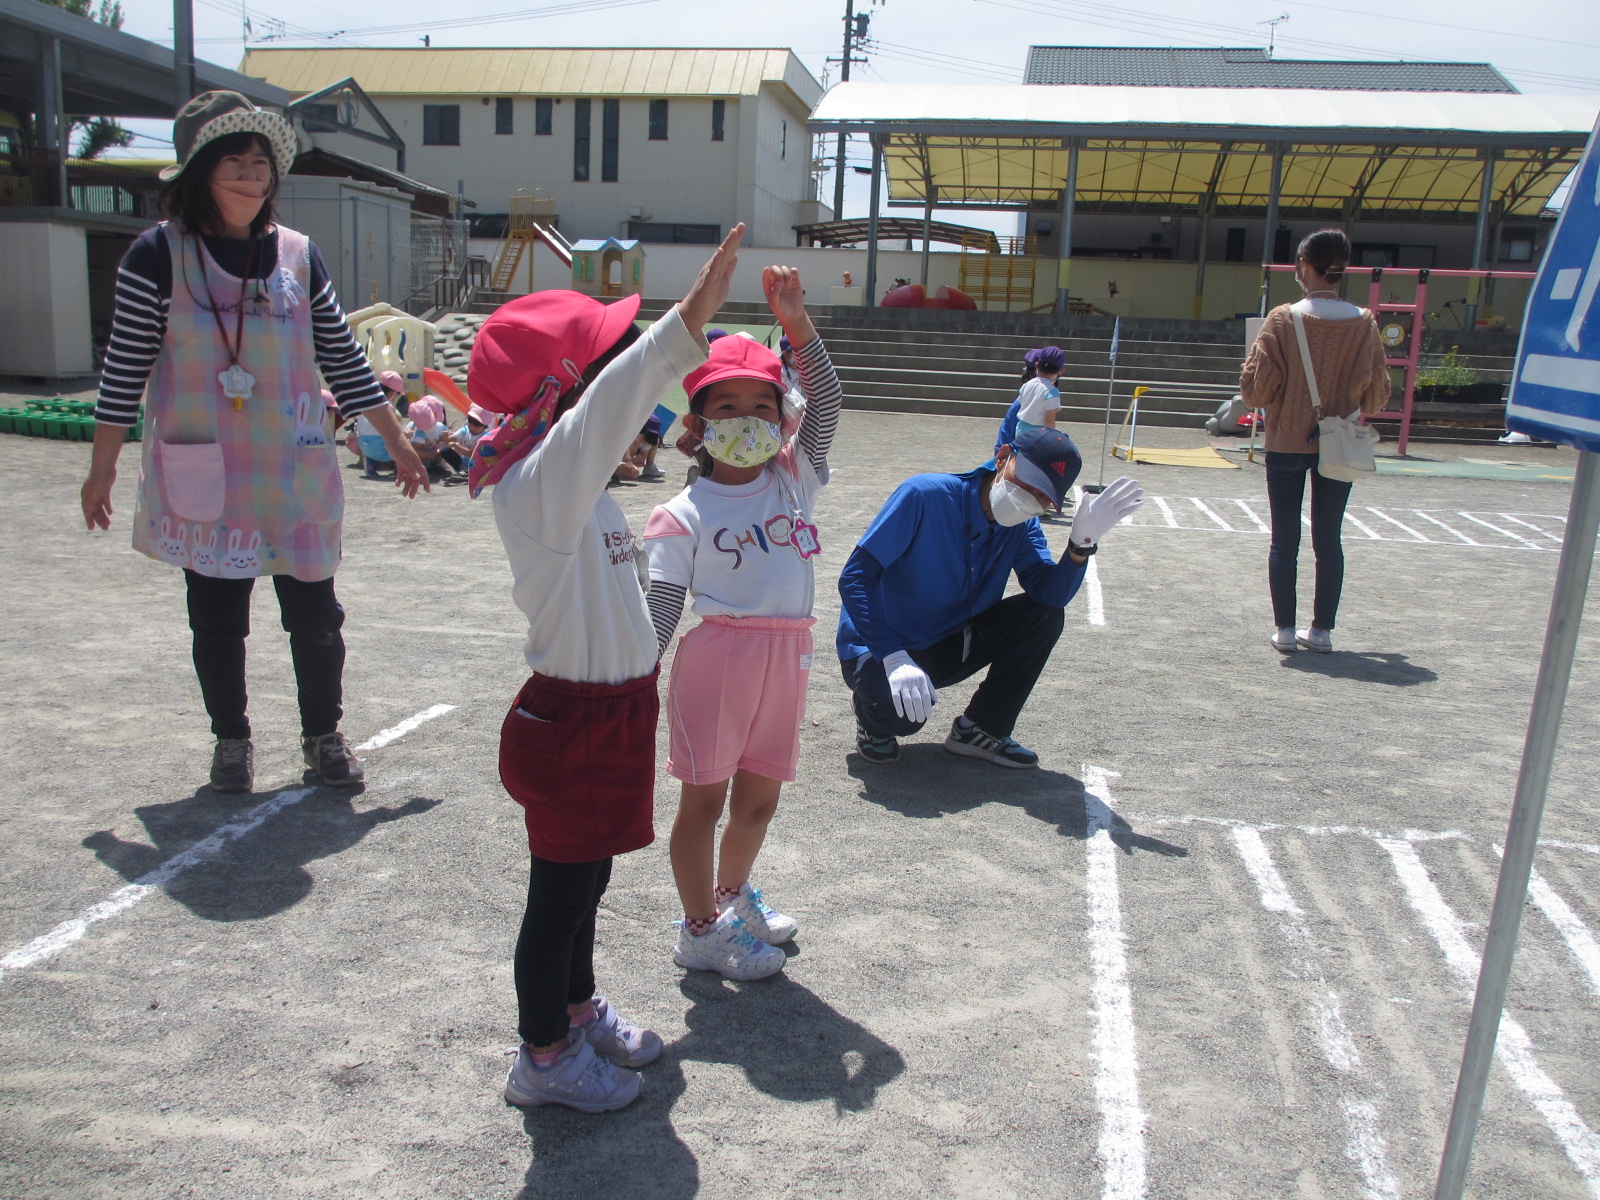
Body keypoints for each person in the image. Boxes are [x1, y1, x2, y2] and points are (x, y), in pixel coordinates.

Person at [80, 90, 427, 794]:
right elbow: (124, 369)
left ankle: (324, 735)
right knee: (216, 621)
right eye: (234, 161)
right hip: (206, 470)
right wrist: (101, 469)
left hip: (292, 467)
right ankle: (231, 742)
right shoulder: (158, 255)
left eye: (261, 163)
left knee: (316, 616)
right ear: (199, 171)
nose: (251, 175)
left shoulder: (297, 256)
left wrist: (399, 439)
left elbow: (344, 357)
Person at [472, 224, 743, 1114]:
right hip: (573, 719)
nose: (611, 382)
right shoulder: (541, 484)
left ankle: (575, 1010)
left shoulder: (575, 488)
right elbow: (609, 406)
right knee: (558, 893)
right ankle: (541, 1058)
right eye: (595, 368)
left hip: (613, 712)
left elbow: (602, 416)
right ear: (562, 396)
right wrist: (683, 323)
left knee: (587, 877)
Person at [643, 267, 841, 982]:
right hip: (719, 660)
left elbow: (831, 399)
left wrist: (796, 324)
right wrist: (637, 679)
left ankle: (731, 900)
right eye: (727, 406)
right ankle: (699, 929)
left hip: (787, 656)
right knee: (705, 801)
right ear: (699, 424)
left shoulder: (794, 476)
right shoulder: (683, 513)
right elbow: (662, 606)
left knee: (759, 801)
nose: (747, 419)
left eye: (762, 405)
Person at [838, 432, 1143, 768]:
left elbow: (1049, 595)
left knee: (1043, 616)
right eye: (1028, 482)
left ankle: (981, 729)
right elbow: (855, 577)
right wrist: (893, 656)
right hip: (884, 647)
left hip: (952, 640)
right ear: (1002, 458)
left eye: (1044, 497)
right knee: (902, 718)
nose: (1031, 499)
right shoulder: (926, 495)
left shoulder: (1022, 526)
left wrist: (1081, 545)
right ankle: (872, 720)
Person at [1241, 228, 1390, 654]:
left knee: (1283, 539)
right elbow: (1377, 395)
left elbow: (1255, 392)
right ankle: (1321, 630)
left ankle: (1285, 629)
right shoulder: (1364, 323)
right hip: (1338, 439)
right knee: (1329, 537)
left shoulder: (1283, 319)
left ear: (1304, 266)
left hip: (1287, 438)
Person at [1013, 345, 1065, 435]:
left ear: (1037, 365)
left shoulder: (1027, 384)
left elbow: (1022, 403)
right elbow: (1050, 420)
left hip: (1021, 429)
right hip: (1038, 433)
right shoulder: (1052, 392)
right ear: (1061, 371)